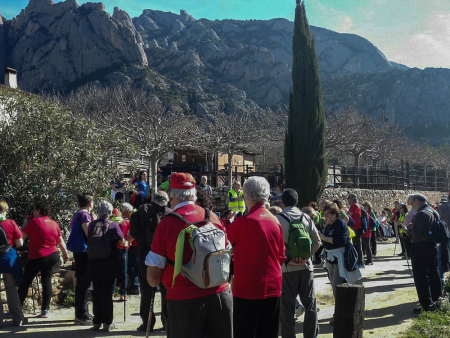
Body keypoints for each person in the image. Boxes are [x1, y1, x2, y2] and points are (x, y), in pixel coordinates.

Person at [146, 173, 232, 338]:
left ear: (171, 195)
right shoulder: (212, 217)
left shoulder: (166, 224)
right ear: (193, 194)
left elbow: (153, 277)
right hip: (220, 296)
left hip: (184, 302)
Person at [227, 176, 285, 338]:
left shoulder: (242, 222)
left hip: (248, 288)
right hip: (273, 285)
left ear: (246, 196)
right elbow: (281, 255)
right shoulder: (275, 221)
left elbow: (224, 242)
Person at [277, 189, 320, 338]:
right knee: (310, 304)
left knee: (287, 307)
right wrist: (306, 258)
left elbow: (274, 246)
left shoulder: (278, 219)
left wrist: (288, 260)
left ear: (282, 202)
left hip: (287, 269)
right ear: (297, 202)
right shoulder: (305, 217)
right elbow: (317, 241)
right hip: (306, 268)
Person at [129, 191, 172, 332]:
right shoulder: (170, 214)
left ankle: (147, 324)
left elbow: (133, 234)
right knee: (166, 289)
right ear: (166, 200)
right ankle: (167, 322)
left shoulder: (140, 213)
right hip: (166, 255)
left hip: (145, 254)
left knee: (147, 290)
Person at [18, 202, 69, 318]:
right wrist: (65, 254)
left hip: (37, 256)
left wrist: (25, 224)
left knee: (25, 282)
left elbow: (21, 238)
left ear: (39, 211)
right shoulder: (54, 223)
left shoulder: (34, 222)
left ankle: (17, 309)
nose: (33, 212)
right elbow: (60, 241)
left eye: (34, 210)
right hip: (52, 255)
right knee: (46, 281)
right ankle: (45, 310)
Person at [85, 200, 126, 332]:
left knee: (96, 293)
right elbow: (122, 242)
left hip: (94, 263)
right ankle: (107, 323)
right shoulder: (113, 225)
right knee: (107, 294)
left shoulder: (91, 225)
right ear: (109, 212)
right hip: (109, 263)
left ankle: (96, 322)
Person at [319, 203, 361, 326]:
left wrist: (324, 238)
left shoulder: (340, 223)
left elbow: (342, 240)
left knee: (338, 287)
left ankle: (341, 315)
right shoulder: (330, 225)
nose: (325, 217)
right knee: (334, 287)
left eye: (327, 214)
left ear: (334, 214)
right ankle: (341, 313)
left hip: (339, 259)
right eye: (324, 215)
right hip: (331, 259)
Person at [407, 194, 442, 314]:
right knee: (433, 275)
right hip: (431, 246)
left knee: (421, 277)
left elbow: (416, 233)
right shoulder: (433, 211)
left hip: (421, 247)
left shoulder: (422, 214)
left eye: (412, 204)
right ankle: (437, 301)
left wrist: (408, 230)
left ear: (417, 201)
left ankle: (426, 306)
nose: (412, 207)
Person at [67, 193, 95, 325]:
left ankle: (82, 313)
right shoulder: (84, 215)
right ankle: (82, 315)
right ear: (90, 203)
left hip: (78, 251)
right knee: (83, 283)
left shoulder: (78, 214)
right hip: (83, 251)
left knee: (81, 282)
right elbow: (89, 233)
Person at [0, 201, 25, 327]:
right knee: (11, 289)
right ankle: (18, 319)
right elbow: (20, 243)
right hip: (8, 258)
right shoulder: (10, 223)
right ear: (5, 210)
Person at [121, 203, 140, 295]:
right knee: (136, 265)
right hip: (139, 244)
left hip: (135, 244)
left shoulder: (133, 216)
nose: (123, 215)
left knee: (131, 266)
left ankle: (136, 286)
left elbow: (134, 231)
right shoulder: (137, 214)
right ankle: (137, 284)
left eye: (123, 213)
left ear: (127, 211)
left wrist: (128, 241)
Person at [111, 208, 128, 301]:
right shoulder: (125, 222)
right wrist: (128, 242)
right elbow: (131, 234)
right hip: (123, 248)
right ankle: (123, 294)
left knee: (112, 271)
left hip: (112, 249)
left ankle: (111, 293)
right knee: (123, 271)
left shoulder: (109, 223)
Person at [347, 194, 365, 268]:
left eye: (349, 198)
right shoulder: (354, 206)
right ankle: (359, 261)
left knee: (357, 245)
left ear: (352, 199)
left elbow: (348, 215)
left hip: (357, 227)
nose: (348, 200)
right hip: (356, 227)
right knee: (356, 244)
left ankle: (360, 262)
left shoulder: (354, 206)